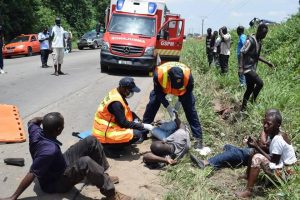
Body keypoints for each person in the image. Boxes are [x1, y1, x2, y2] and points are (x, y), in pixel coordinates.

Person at [0, 112, 130, 200]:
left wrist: (45, 119)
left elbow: (32, 121)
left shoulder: (35, 131)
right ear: (58, 130)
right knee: (85, 162)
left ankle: (102, 176)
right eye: (62, 125)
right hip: (55, 182)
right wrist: (14, 197)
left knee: (91, 140)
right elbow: (32, 173)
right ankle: (111, 193)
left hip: (59, 163)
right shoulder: (49, 151)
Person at [143, 62, 204, 150]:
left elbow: (188, 90)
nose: (177, 88)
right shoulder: (158, 75)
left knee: (191, 111)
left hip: (184, 93)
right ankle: (143, 132)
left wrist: (179, 101)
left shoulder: (188, 76)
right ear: (168, 78)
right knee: (152, 104)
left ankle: (198, 139)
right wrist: (168, 106)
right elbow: (158, 93)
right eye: (176, 85)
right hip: (162, 89)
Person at [190, 109, 278, 170]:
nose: (265, 124)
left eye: (268, 122)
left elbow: (266, 151)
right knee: (227, 147)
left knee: (233, 152)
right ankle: (222, 162)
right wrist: (250, 143)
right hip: (252, 150)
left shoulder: (276, 137)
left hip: (255, 155)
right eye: (264, 121)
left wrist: (256, 145)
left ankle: (206, 162)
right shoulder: (269, 131)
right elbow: (261, 144)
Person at [236, 111, 297, 198]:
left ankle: (248, 192)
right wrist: (255, 146)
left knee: (257, 157)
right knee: (254, 152)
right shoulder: (276, 134)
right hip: (284, 167)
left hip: (286, 174)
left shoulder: (278, 139)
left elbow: (274, 161)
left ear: (277, 125)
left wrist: (257, 147)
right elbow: (271, 151)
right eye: (264, 123)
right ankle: (248, 175)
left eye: (269, 124)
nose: (265, 126)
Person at [92, 77, 153, 145]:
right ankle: (110, 148)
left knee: (135, 120)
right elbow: (123, 123)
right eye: (130, 91)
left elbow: (125, 112)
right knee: (137, 134)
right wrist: (143, 126)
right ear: (123, 88)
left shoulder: (116, 92)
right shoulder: (116, 103)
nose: (131, 93)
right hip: (105, 135)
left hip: (107, 128)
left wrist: (136, 119)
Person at [239, 23, 275, 111]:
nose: (264, 36)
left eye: (265, 34)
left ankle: (243, 108)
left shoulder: (259, 42)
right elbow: (242, 52)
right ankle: (253, 101)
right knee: (260, 83)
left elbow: (257, 56)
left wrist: (267, 62)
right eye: (263, 33)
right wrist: (240, 67)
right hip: (247, 68)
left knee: (250, 88)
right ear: (258, 31)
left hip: (252, 68)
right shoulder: (250, 40)